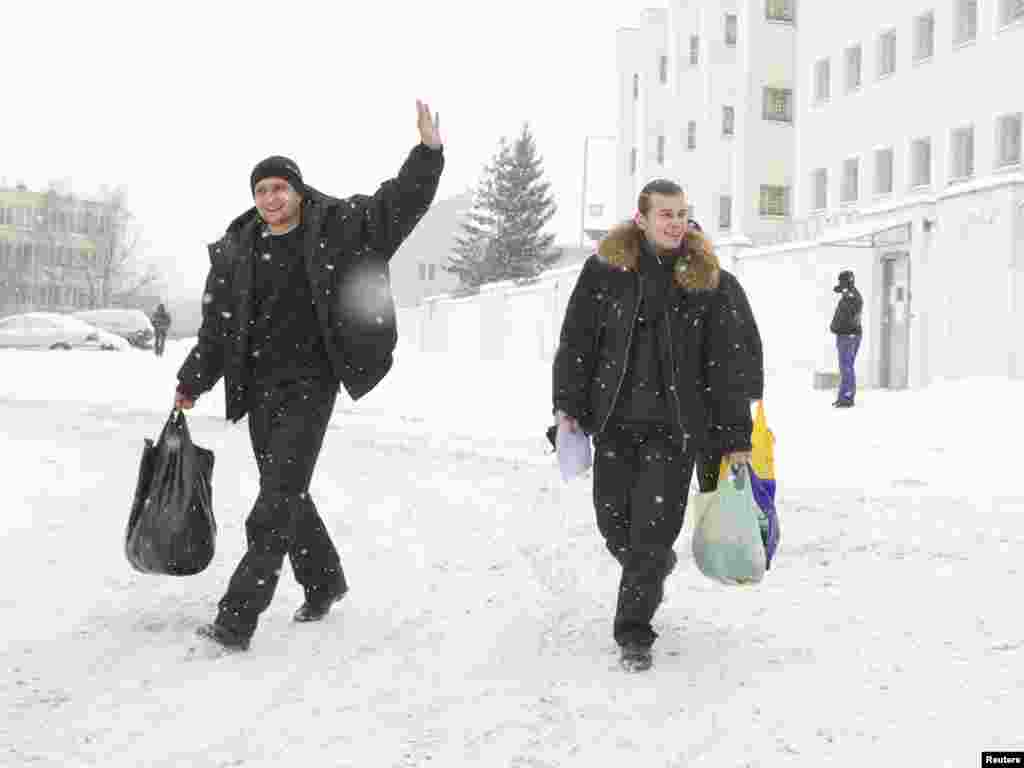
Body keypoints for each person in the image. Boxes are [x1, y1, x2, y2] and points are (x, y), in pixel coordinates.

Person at [173, 100, 444, 653]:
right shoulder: (237, 249)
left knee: (274, 499)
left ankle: (236, 618)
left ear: (297, 189)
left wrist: (427, 153)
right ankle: (323, 581)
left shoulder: (338, 226)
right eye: (261, 191)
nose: (271, 199)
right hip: (260, 386)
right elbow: (218, 330)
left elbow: (400, 203)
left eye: (279, 188)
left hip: (312, 383)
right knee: (287, 490)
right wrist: (192, 380)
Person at [552, 178, 753, 673]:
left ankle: (634, 631)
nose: (676, 223)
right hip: (615, 423)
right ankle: (650, 569)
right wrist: (567, 405)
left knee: (651, 532)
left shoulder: (707, 280)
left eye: (682, 213)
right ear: (640, 219)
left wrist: (736, 438)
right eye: (665, 214)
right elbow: (577, 342)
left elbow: (727, 366)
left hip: (676, 431)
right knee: (613, 526)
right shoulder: (606, 271)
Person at [687, 219, 763, 494]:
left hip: (714, 399)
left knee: (715, 476)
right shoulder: (661, 285)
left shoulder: (723, 283)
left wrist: (751, 386)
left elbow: (745, 340)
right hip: (681, 404)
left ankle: (720, 524)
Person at [830, 269, 863, 407]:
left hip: (848, 336)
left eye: (842, 284)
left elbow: (847, 319)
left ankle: (847, 397)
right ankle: (843, 396)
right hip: (847, 336)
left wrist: (836, 328)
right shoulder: (850, 295)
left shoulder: (852, 297)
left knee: (847, 367)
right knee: (845, 367)